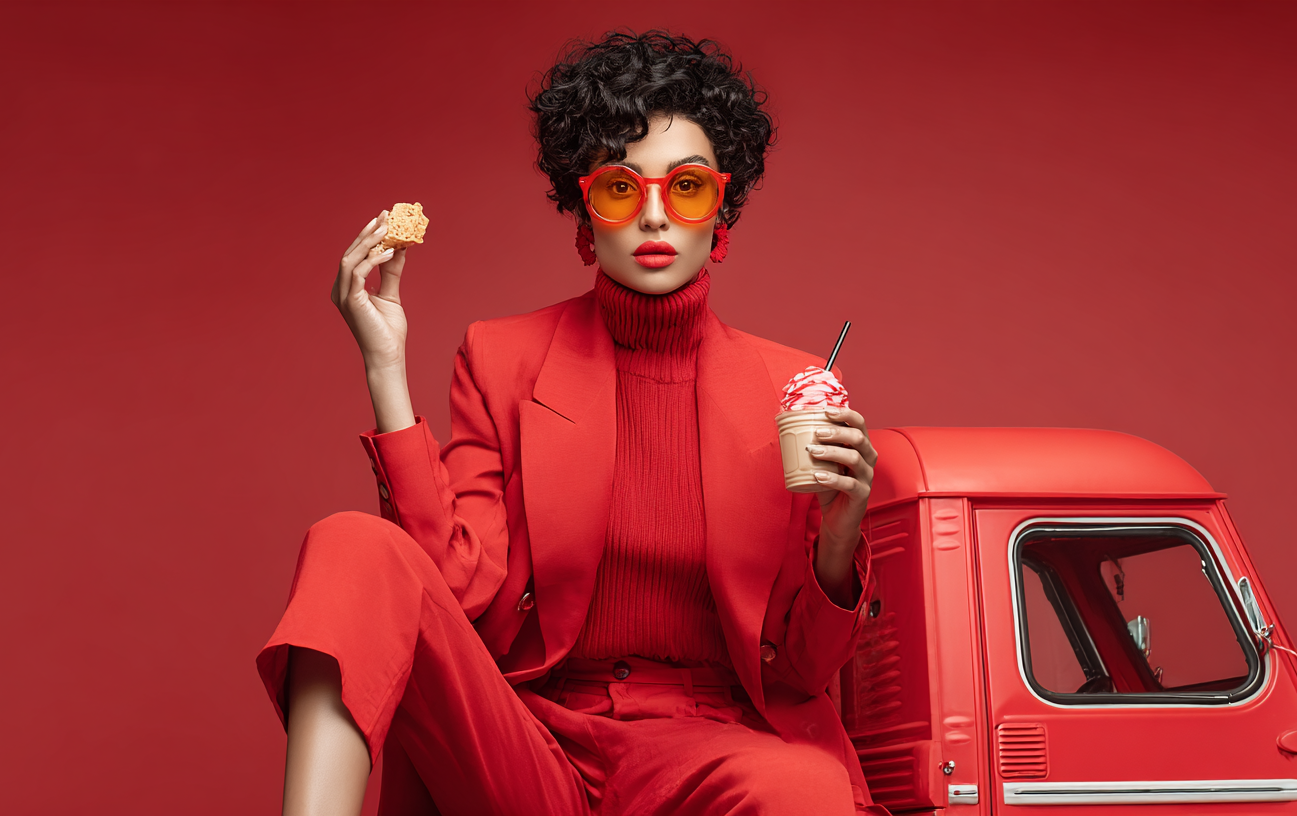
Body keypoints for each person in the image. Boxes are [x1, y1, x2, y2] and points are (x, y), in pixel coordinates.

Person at [257, 30, 885, 816]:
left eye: (687, 188)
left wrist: (838, 536)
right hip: (534, 746)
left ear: (721, 214)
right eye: (621, 188)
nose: (654, 216)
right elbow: (454, 594)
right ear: (586, 213)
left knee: (801, 789)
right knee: (351, 542)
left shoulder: (794, 388)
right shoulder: (501, 358)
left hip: (716, 752)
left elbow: (801, 670)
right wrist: (386, 370)